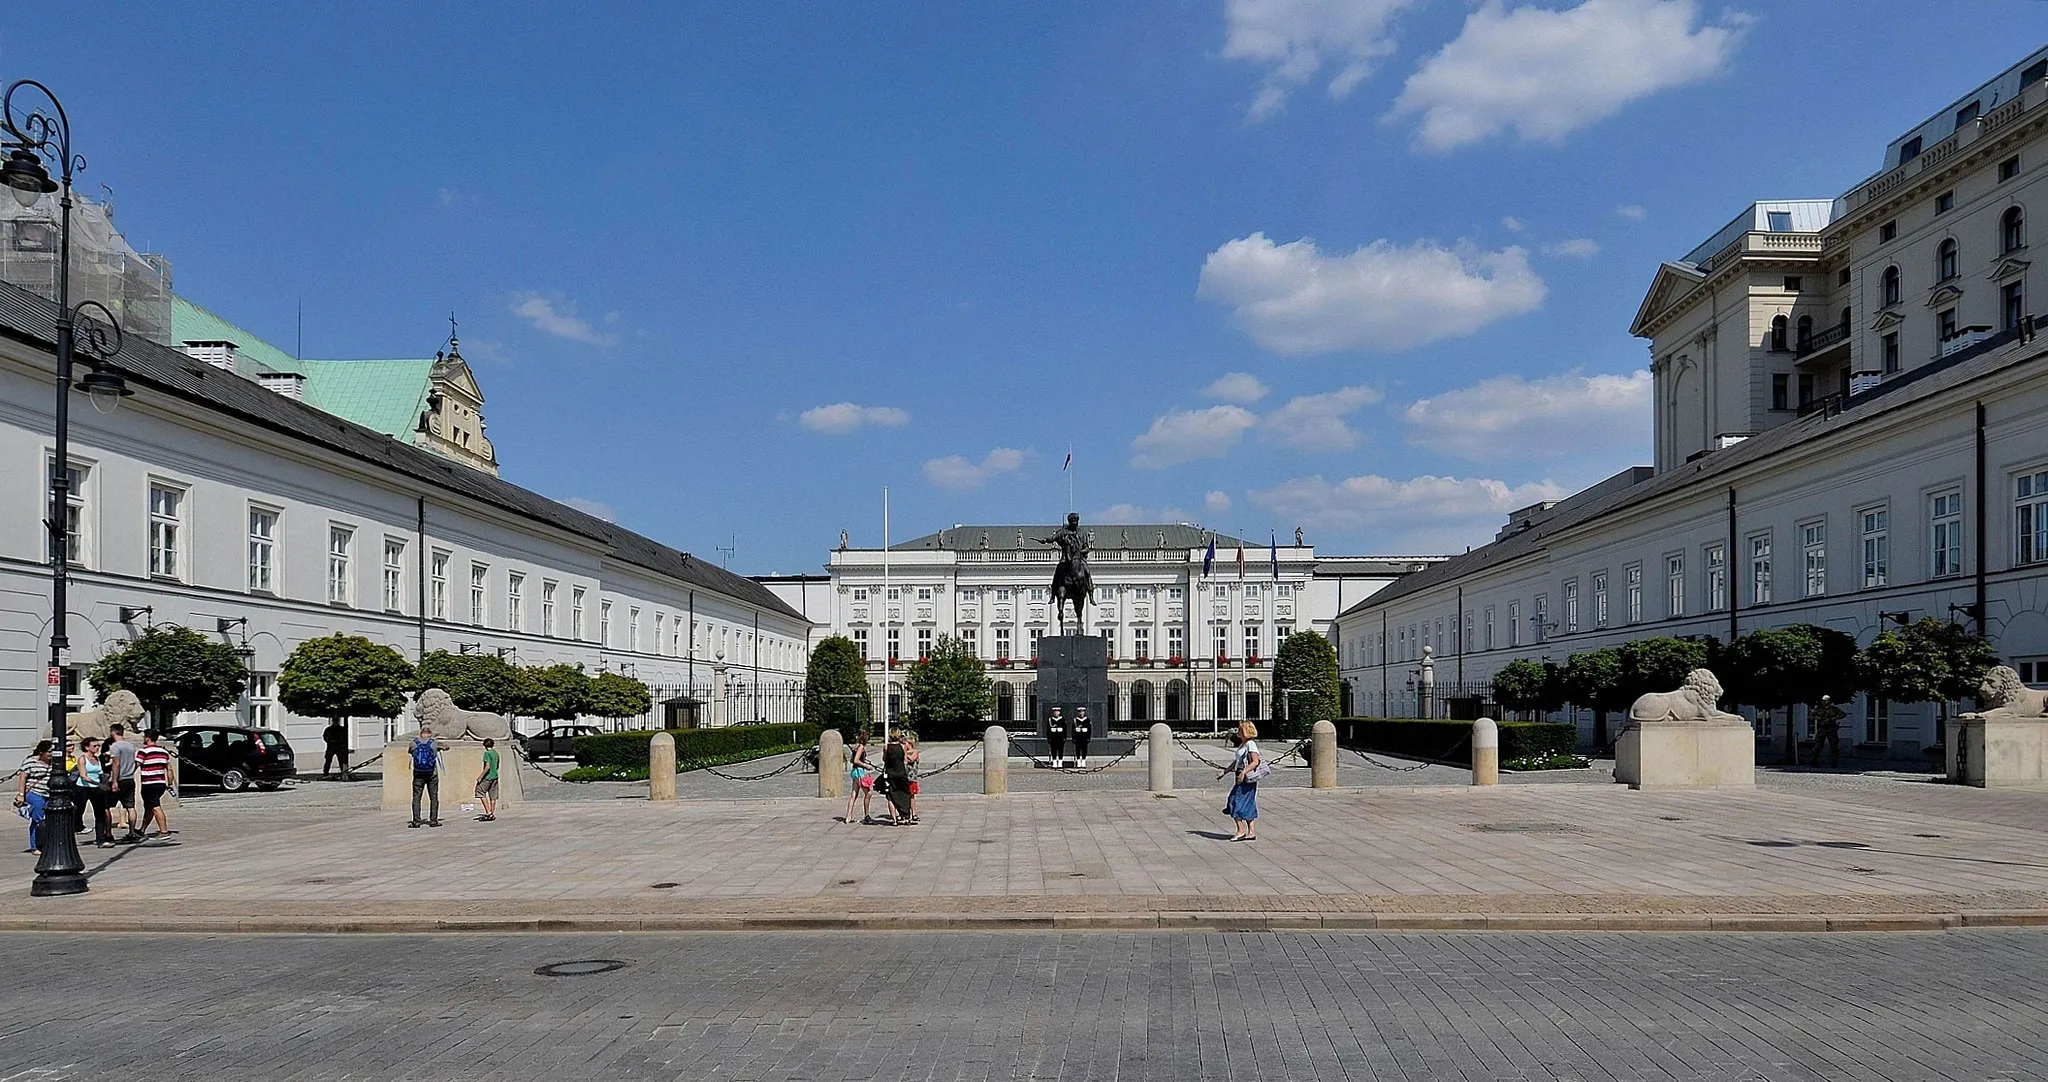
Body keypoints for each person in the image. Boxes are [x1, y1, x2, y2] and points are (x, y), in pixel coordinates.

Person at [1218, 721, 1261, 842]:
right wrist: (1225, 772)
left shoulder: (1251, 744)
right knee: (1247, 803)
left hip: (1246, 778)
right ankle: (1251, 832)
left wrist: (1243, 773)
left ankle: (1240, 830)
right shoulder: (1244, 744)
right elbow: (1236, 761)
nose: (1238, 732)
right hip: (1240, 775)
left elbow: (1255, 761)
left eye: (1240, 730)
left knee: (1234, 801)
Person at [13, 740, 53, 854]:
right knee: (38, 819)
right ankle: (36, 846)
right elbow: (22, 778)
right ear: (41, 752)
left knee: (49, 819)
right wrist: (21, 795)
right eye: (49, 752)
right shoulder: (31, 762)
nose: (51, 755)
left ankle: (46, 842)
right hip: (35, 793)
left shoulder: (55, 763)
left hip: (49, 794)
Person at [73, 737, 114, 848]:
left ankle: (101, 839)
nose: (97, 748)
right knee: (79, 810)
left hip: (96, 788)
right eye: (94, 746)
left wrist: (105, 783)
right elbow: (83, 776)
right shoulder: (82, 759)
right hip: (83, 787)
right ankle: (75, 829)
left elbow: (100, 773)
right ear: (87, 747)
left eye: (98, 746)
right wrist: (98, 784)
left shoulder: (97, 759)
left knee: (100, 813)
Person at [135, 730, 172, 840]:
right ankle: (142, 829)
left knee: (155, 806)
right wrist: (169, 783)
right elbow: (169, 769)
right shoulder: (163, 752)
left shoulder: (143, 751)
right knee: (149, 807)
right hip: (160, 782)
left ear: (147, 738)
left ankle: (164, 831)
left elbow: (136, 765)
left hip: (149, 783)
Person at [106, 723, 138, 839]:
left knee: (106, 806)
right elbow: (135, 762)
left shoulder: (115, 746)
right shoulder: (131, 746)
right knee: (130, 806)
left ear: (112, 732)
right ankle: (132, 832)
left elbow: (116, 764)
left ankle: (108, 833)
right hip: (130, 778)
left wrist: (114, 780)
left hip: (119, 779)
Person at [409, 725, 442, 828]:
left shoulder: (414, 743)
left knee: (416, 797)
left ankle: (416, 821)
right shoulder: (434, 743)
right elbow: (447, 747)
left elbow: (410, 751)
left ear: (421, 734)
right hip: (432, 774)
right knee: (433, 797)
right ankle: (433, 820)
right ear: (430, 734)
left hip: (418, 774)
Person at [880, 732, 914, 825]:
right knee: (905, 794)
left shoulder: (886, 747)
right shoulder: (902, 747)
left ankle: (894, 819)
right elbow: (905, 761)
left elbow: (884, 759)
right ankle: (906, 816)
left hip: (890, 773)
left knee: (891, 796)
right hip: (901, 773)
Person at [845, 733, 877, 824]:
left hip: (854, 771)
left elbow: (852, 760)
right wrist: (865, 765)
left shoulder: (856, 747)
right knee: (868, 793)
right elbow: (855, 760)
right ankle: (866, 815)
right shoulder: (861, 747)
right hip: (859, 772)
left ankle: (848, 816)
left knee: (854, 794)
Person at [1810, 696, 1845, 768]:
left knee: (1834, 747)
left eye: (1825, 701)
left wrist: (1835, 718)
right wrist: (1817, 718)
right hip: (1822, 728)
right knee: (1817, 746)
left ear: (1829, 701)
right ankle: (1814, 762)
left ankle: (1834, 763)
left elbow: (1843, 714)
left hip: (1831, 729)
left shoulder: (1834, 709)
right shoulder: (1819, 709)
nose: (1823, 702)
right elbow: (1811, 716)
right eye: (1823, 701)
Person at [474, 737, 500, 822]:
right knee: (493, 795)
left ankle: (488, 812)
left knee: (480, 791)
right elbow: (497, 766)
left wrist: (481, 776)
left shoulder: (487, 753)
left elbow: (487, 766)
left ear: (484, 745)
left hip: (488, 776)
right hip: (495, 775)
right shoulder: (496, 753)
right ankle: (492, 813)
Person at [902, 733, 922, 823]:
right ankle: (904, 813)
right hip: (904, 777)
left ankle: (913, 813)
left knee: (911, 796)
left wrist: (904, 753)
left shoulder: (915, 752)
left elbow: (911, 759)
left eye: (905, 743)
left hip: (911, 777)